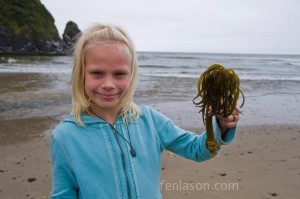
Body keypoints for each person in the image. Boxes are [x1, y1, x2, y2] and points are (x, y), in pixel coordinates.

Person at [50, 23, 240, 199]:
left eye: (119, 74)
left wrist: (220, 126)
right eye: (97, 73)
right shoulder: (66, 136)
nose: (108, 84)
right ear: (81, 74)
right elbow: (63, 195)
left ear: (131, 75)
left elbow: (198, 150)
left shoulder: (149, 120)